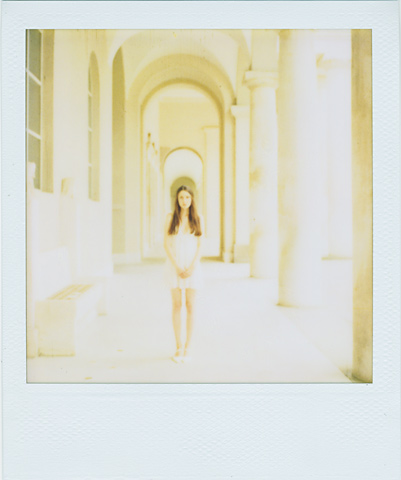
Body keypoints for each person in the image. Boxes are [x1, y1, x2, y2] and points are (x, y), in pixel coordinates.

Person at [164, 185, 203, 363]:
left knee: (191, 305)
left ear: (192, 199)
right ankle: (178, 346)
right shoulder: (170, 217)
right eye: (181, 197)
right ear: (177, 199)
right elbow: (166, 244)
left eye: (187, 197)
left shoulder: (198, 218)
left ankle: (188, 346)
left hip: (192, 267)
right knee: (177, 305)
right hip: (175, 266)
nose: (184, 201)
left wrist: (192, 266)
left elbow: (200, 245)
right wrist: (177, 266)